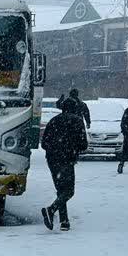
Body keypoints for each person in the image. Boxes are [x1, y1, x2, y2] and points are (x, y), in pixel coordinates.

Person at [40, 98, 88, 231]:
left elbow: (44, 143)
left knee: (60, 190)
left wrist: (54, 148)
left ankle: (64, 221)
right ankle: (50, 210)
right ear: (74, 108)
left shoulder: (53, 121)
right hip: (67, 159)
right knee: (69, 191)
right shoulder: (77, 121)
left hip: (52, 159)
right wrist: (72, 148)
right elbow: (84, 145)